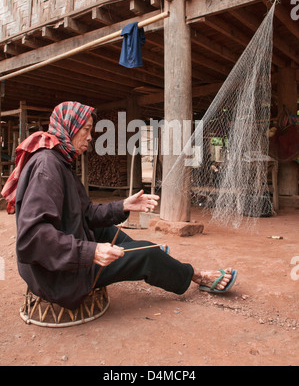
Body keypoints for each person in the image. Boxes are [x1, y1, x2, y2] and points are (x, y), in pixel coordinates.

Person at [1, 101, 237, 310]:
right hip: (56, 276)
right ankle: (196, 275)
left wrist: (124, 205)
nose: (90, 137)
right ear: (70, 129)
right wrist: (91, 251)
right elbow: (32, 239)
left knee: (111, 233)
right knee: (147, 254)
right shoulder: (47, 167)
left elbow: (87, 215)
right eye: (86, 130)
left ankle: (154, 260)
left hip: (61, 257)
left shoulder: (60, 162)